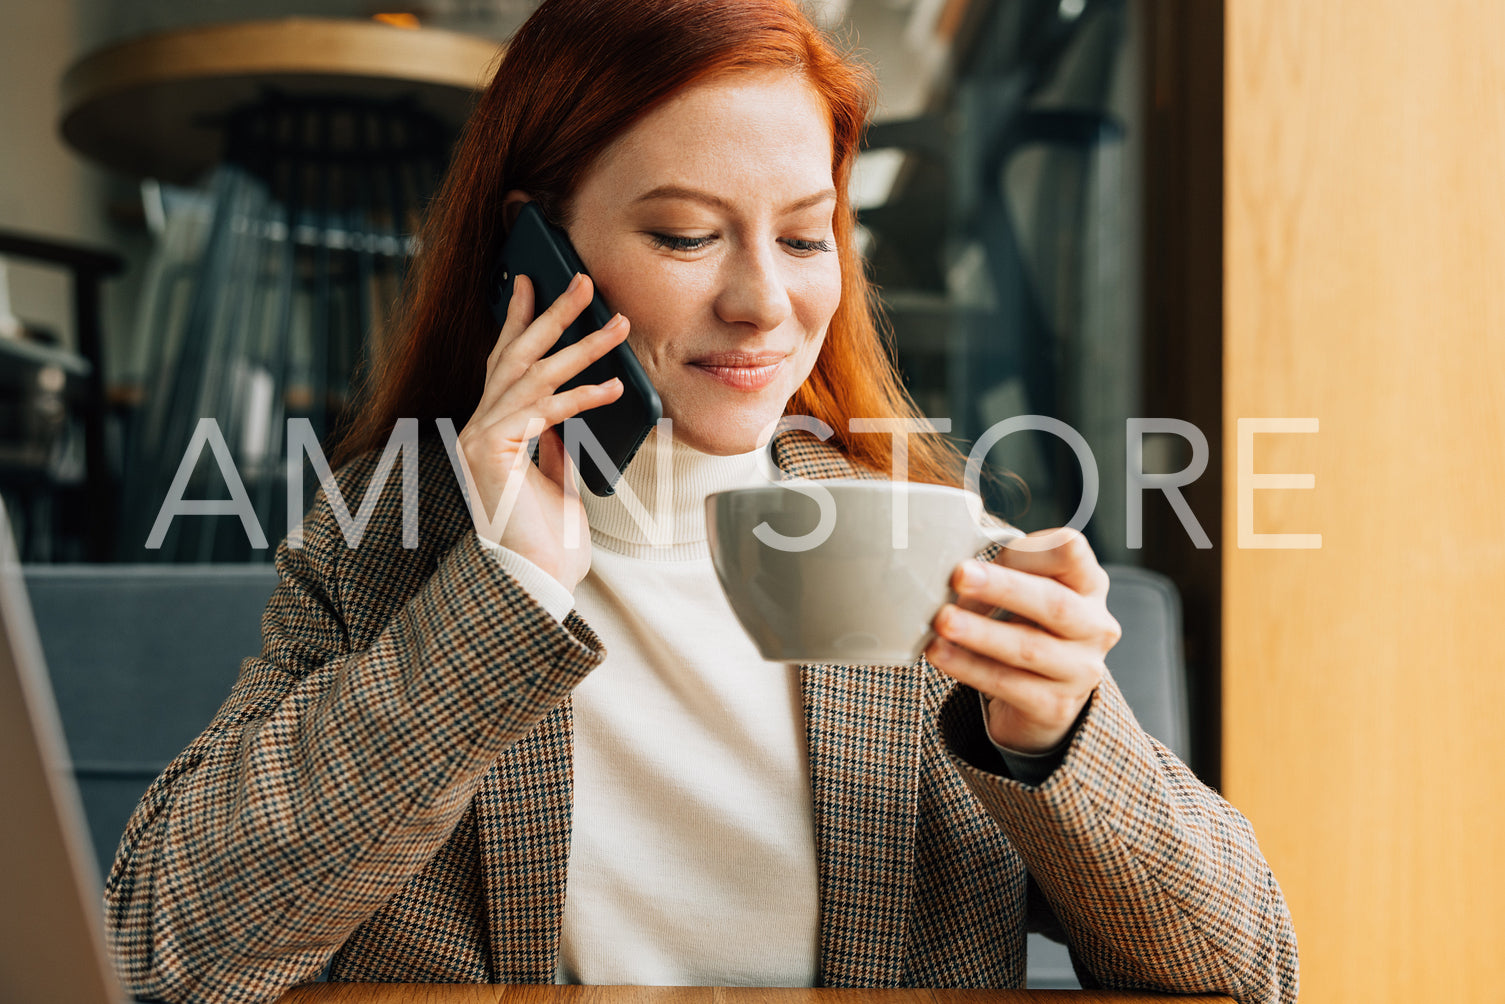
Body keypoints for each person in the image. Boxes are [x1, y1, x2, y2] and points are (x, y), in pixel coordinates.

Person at [104, 1, 1298, 1002]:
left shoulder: (918, 546)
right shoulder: (386, 540)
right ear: (534, 250)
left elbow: (1249, 971)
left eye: (803, 234)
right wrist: (503, 588)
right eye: (684, 236)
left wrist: (1054, 737)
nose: (764, 304)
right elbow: (166, 942)